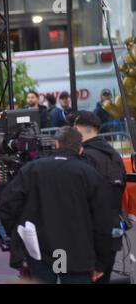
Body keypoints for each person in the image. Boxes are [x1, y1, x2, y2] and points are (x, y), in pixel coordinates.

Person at [0, 127, 113, 284]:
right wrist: (101, 262)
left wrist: (18, 237)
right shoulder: (89, 174)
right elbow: (103, 220)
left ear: (56, 144)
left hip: (40, 252)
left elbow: (8, 205)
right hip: (78, 254)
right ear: (80, 149)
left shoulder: (32, 169)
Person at [73, 111, 126, 284]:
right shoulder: (114, 155)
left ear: (76, 128)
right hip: (113, 229)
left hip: (90, 232)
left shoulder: (85, 157)